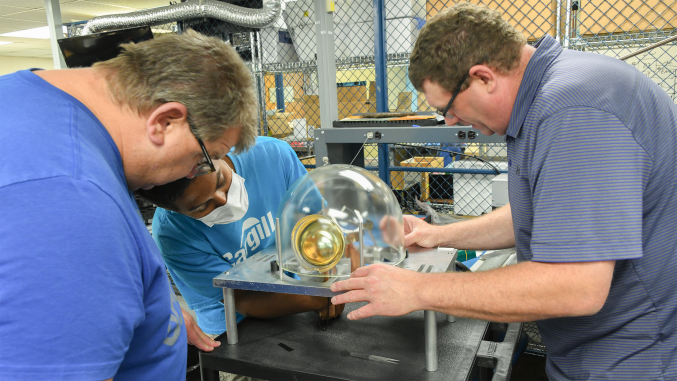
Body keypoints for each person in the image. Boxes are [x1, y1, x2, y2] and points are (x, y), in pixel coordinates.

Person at [330, 3, 677, 380]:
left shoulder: (574, 111)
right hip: (599, 352)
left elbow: (576, 286)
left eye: (447, 108)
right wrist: (439, 234)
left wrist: (419, 288)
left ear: (483, 78)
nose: (451, 122)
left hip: (637, 360)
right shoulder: (550, 98)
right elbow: (550, 215)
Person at [0, 29, 259, 381]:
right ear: (164, 121)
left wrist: (149, 313)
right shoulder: (69, 199)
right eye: (202, 160)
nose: (190, 174)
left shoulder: (27, 98)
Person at [136, 136, 344, 337]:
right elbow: (242, 298)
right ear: (173, 210)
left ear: (215, 152)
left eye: (221, 181)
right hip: (233, 324)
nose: (223, 200)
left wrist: (327, 280)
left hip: (294, 289)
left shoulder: (273, 156)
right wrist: (315, 299)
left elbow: (314, 221)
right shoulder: (172, 235)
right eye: (202, 206)